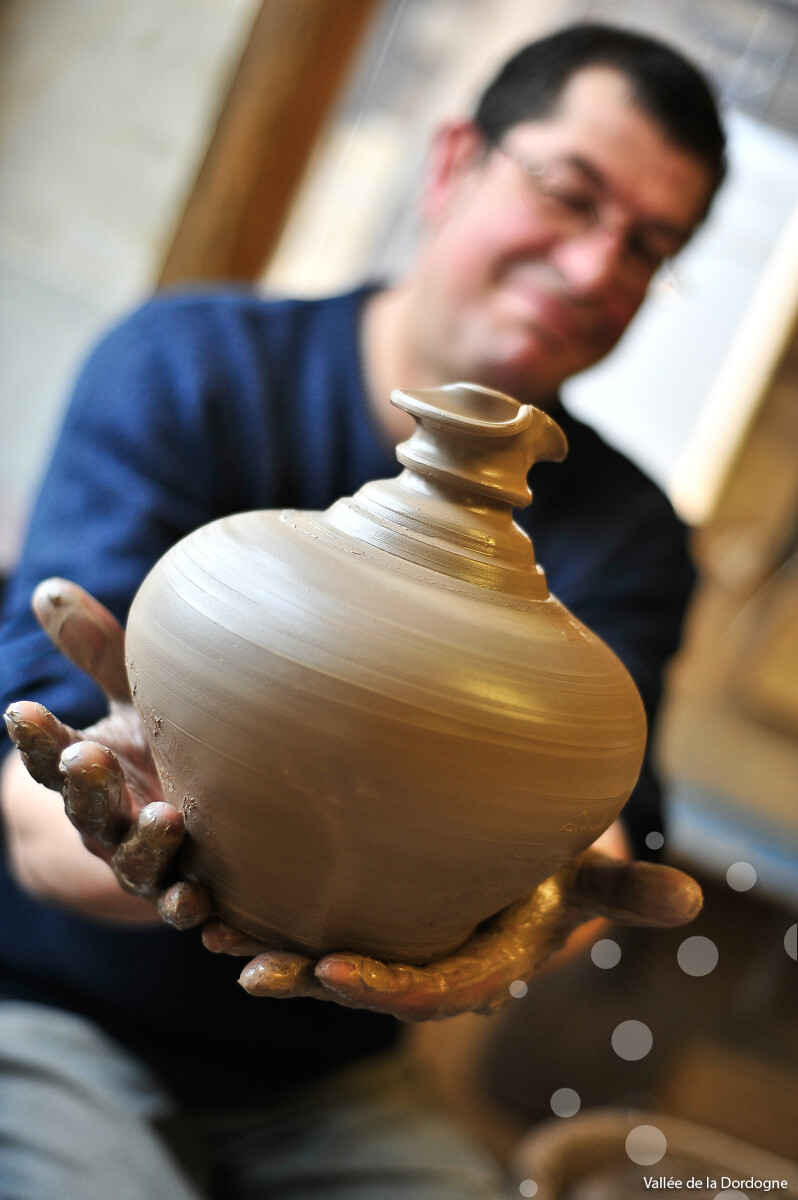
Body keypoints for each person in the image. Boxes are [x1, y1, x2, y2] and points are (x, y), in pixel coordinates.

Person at [0, 22, 725, 1200]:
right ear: (453, 165)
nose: (598, 267)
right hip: (54, 1001)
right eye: (569, 194)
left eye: (648, 247)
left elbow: (600, 833)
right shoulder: (188, 367)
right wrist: (132, 816)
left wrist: (540, 907)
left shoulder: (629, 531)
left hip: (327, 1067)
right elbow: (33, 803)